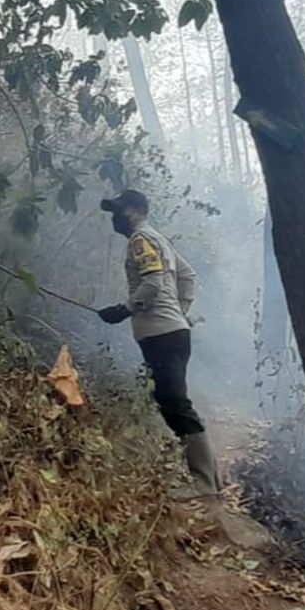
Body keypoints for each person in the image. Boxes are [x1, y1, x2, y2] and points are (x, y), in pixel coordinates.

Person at [97, 188, 222, 500]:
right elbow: (188, 276)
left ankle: (205, 487)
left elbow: (152, 283)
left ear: (137, 211)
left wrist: (126, 309)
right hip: (171, 331)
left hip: (162, 334)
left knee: (175, 403)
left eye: (119, 211)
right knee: (169, 401)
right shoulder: (158, 239)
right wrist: (180, 312)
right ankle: (207, 481)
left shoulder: (141, 239)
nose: (115, 218)